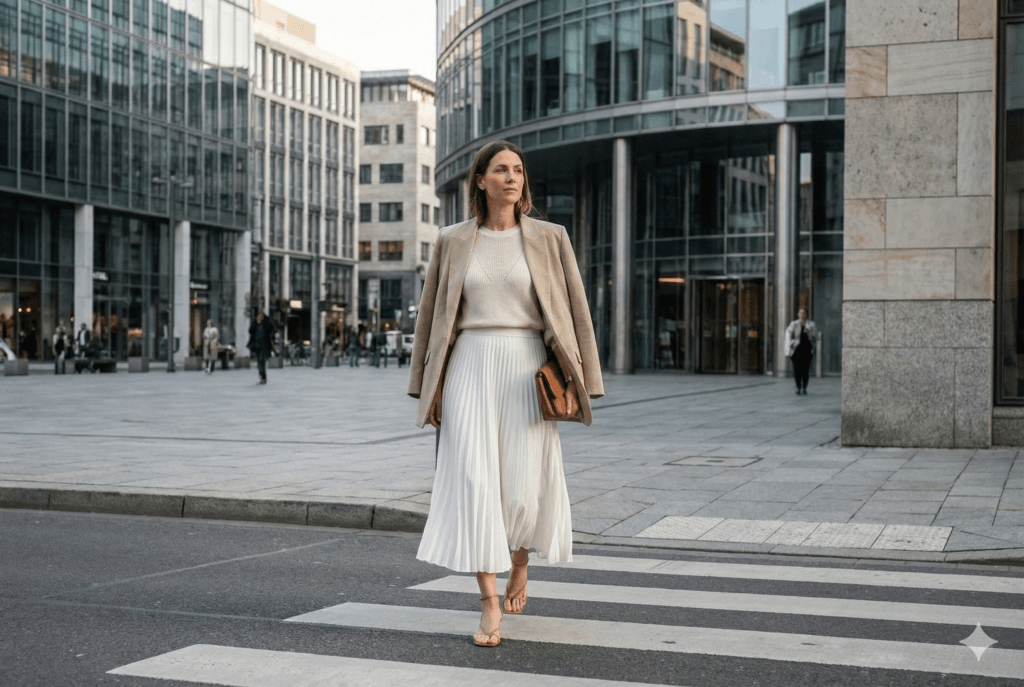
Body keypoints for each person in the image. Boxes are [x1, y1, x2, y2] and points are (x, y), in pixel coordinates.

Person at [408, 141, 604, 647]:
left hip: (525, 367)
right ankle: (488, 603)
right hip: (469, 366)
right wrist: (427, 385)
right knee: (475, 482)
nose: (511, 177)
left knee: (520, 488)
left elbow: (575, 312)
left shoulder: (549, 237)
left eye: (518, 170)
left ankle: (520, 563)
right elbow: (432, 319)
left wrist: (587, 378)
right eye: (501, 170)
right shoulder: (452, 241)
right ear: (481, 181)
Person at [785, 307, 819, 395]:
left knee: (805, 369)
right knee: (797, 369)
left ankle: (804, 387)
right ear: (798, 314)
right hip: (796, 349)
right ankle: (798, 387)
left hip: (807, 349)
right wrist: (789, 345)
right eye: (800, 313)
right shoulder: (794, 324)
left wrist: (809, 332)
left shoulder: (811, 324)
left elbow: (816, 336)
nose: (802, 314)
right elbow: (788, 333)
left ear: (806, 314)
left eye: (804, 313)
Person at [248, 312, 275, 385]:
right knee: (259, 362)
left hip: (264, 346)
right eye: (259, 316)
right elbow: (250, 331)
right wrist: (256, 323)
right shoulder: (255, 324)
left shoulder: (266, 324)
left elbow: (271, 330)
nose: (260, 318)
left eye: (261, 316)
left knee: (261, 360)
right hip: (256, 346)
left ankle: (263, 377)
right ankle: (262, 376)